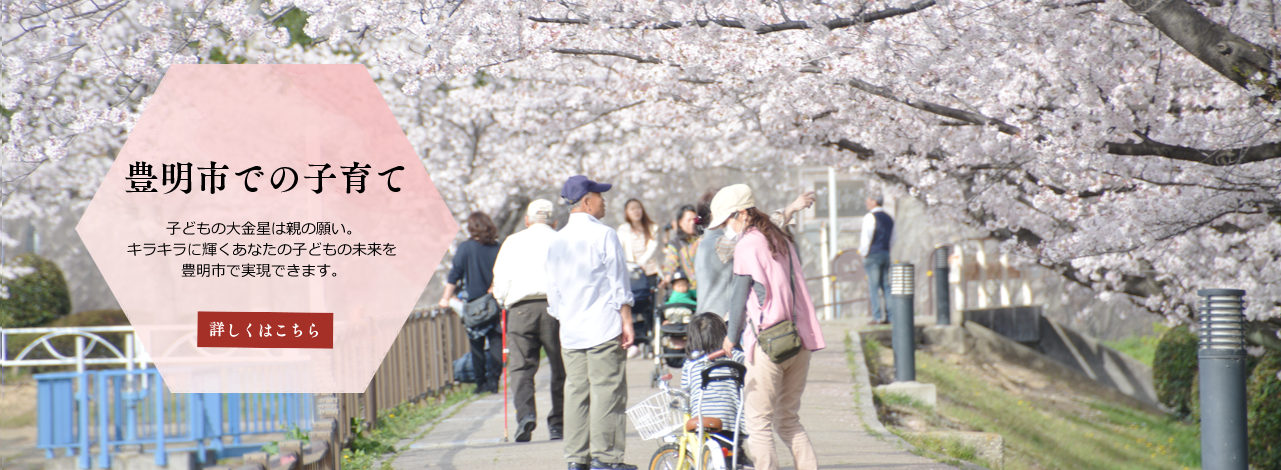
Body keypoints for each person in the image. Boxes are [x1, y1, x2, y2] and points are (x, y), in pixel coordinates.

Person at [711, 184, 825, 470]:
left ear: (739, 214)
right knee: (788, 420)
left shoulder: (747, 244)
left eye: (726, 220)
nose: (726, 227)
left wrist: (730, 337)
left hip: (768, 346)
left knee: (758, 422)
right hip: (798, 341)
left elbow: (738, 297)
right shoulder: (778, 236)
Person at [546, 175, 637, 470]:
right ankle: (606, 458)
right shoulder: (604, 235)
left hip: (571, 330)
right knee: (607, 390)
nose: (604, 200)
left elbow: (553, 292)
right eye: (599, 195)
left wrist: (567, 318)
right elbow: (618, 283)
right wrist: (627, 321)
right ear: (586, 201)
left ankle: (576, 459)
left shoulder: (556, 240)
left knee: (575, 392)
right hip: (603, 326)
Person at [491, 199, 566, 442]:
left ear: (527, 220)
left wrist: (502, 299)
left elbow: (501, 279)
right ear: (554, 221)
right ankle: (558, 423)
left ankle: (525, 416)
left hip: (521, 311)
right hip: (555, 309)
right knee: (560, 367)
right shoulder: (562, 239)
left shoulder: (513, 241)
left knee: (521, 368)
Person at [696, 189, 816, 319]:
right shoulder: (718, 243)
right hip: (721, 321)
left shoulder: (704, 243)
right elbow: (758, 233)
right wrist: (788, 210)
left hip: (706, 318)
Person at [438, 212, 504, 395]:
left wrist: (445, 298)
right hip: (493, 302)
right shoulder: (497, 248)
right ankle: (494, 381)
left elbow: (454, 275)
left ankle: (481, 383)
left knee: (477, 345)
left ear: (471, 227)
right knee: (496, 340)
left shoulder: (465, 248)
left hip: (474, 306)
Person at [680, 312, 750, 466]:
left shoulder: (691, 364)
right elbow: (750, 366)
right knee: (732, 452)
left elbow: (685, 389)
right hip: (734, 421)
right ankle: (737, 455)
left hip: (703, 420)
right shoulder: (735, 356)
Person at [617, 199, 661, 358]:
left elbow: (652, 247)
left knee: (651, 306)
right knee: (633, 306)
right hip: (631, 274)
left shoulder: (652, 228)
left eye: (638, 208)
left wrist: (642, 263)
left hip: (649, 272)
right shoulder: (623, 230)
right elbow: (620, 251)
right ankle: (634, 342)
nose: (635, 211)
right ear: (626, 212)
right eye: (631, 209)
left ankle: (650, 341)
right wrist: (631, 265)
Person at [859, 195, 895, 325]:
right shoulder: (889, 217)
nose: (866, 202)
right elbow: (893, 238)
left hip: (873, 254)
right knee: (886, 285)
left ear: (874, 202)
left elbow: (866, 238)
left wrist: (864, 253)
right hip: (885, 253)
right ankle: (890, 316)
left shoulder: (870, 217)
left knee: (873, 286)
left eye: (868, 200)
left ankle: (877, 316)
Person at [661, 204, 701, 290]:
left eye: (694, 219)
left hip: (704, 288)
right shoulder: (675, 243)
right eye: (689, 220)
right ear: (680, 223)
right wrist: (667, 278)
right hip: (686, 290)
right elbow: (671, 261)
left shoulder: (702, 239)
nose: (692, 223)